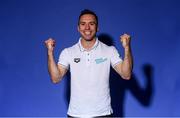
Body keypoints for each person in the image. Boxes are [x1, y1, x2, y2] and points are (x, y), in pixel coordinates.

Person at [44, 9, 133, 117]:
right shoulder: (68, 52)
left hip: (103, 114)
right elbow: (55, 78)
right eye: (83, 24)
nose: (87, 28)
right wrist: (50, 52)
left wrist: (127, 48)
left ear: (97, 27)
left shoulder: (109, 50)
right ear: (78, 28)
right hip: (75, 115)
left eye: (91, 24)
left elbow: (126, 74)